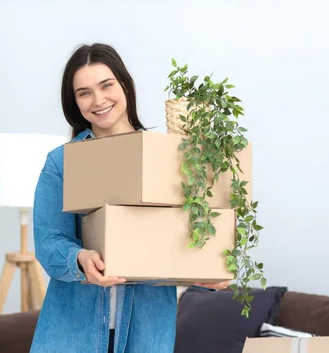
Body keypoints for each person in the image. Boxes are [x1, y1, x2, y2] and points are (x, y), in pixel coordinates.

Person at [30, 43, 230, 353]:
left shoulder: (169, 157)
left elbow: (180, 235)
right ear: (74, 102)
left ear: (124, 84)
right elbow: (48, 242)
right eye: (84, 93)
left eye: (106, 85)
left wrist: (204, 269)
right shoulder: (62, 163)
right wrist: (80, 259)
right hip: (73, 334)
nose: (99, 100)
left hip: (147, 334)